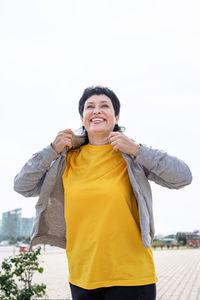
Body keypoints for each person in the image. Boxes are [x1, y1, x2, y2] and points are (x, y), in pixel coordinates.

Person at [14, 86, 192, 300]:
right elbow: (22, 185)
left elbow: (183, 177)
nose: (96, 110)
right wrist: (51, 150)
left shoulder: (132, 156)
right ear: (82, 118)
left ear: (116, 116)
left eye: (104, 106)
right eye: (90, 107)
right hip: (82, 277)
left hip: (131, 277)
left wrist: (137, 149)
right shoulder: (66, 159)